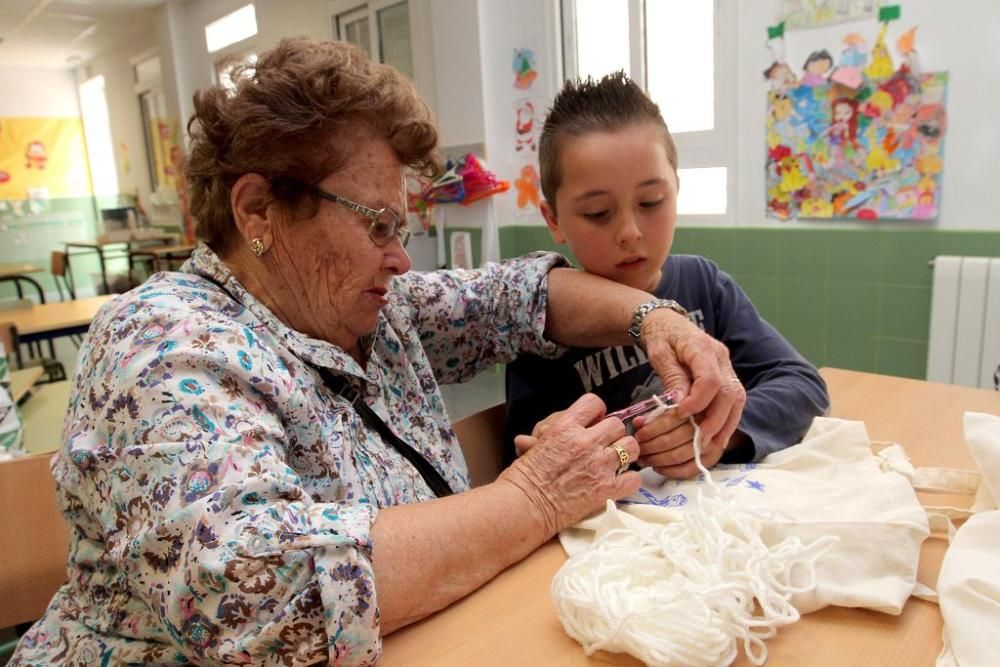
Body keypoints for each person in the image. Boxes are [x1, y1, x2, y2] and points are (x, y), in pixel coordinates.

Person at [9, 40, 744, 666]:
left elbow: (520, 298)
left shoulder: (365, 309)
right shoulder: (161, 344)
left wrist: (657, 318)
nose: (400, 260)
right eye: (379, 225)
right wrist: (536, 495)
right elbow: (255, 588)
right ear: (257, 210)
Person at [505, 72, 829, 480]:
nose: (630, 232)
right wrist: (589, 452)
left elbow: (803, 384)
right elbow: (523, 459)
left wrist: (721, 433)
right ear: (554, 220)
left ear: (676, 191)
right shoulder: (541, 325)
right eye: (598, 213)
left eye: (651, 201)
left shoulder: (704, 284)